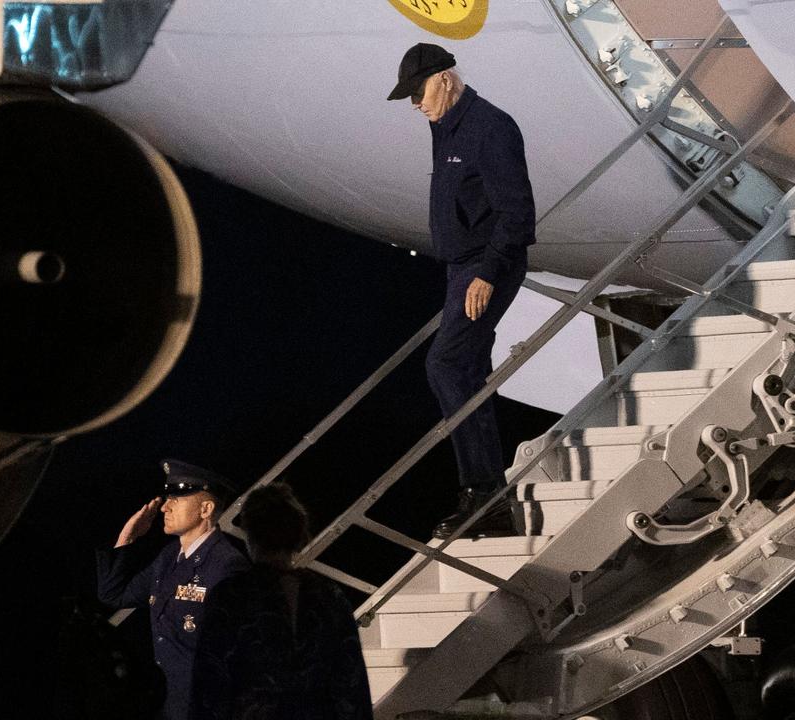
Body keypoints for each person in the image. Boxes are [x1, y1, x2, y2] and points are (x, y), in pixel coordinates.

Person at [387, 42, 537, 539]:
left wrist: (488, 272)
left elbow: (517, 214)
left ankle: (483, 491)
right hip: (460, 270)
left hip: (484, 270)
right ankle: (488, 502)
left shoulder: (491, 127)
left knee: (445, 364)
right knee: (466, 371)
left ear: (446, 78)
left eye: (419, 91)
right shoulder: (443, 123)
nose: (415, 103)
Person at [188, 483, 371, 720]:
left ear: (250, 535)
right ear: (298, 534)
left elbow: (209, 686)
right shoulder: (329, 595)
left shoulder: (232, 596)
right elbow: (352, 684)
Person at [96, 459, 250, 720]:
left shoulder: (227, 566)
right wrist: (128, 538)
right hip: (167, 706)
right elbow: (112, 595)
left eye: (176, 499)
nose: (165, 507)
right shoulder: (168, 558)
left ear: (206, 509)